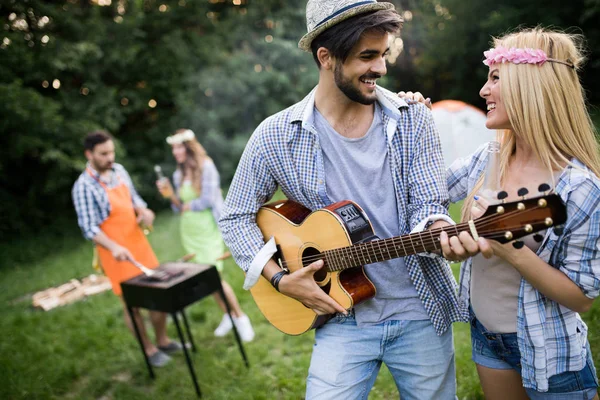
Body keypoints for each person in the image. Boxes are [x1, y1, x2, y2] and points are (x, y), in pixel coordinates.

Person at [219, 1, 464, 398]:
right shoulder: (275, 136)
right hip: (340, 315)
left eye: (383, 54)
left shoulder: (413, 119)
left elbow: (429, 205)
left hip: (418, 310)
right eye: (367, 56)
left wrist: (440, 228)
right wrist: (280, 279)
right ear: (326, 57)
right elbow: (236, 217)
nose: (381, 69)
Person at [441, 28, 600, 399]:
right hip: (487, 337)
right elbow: (423, 196)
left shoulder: (579, 187)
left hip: (549, 348)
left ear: (532, 87)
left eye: (495, 78)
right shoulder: (488, 157)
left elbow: (583, 298)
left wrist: (511, 251)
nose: (483, 91)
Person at [72, 130, 183, 367]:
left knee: (157, 292)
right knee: (131, 303)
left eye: (111, 151)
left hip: (137, 243)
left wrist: (145, 213)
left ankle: (162, 340)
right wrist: (113, 247)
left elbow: (135, 200)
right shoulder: (83, 186)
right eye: (103, 154)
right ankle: (149, 349)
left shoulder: (119, 171)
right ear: (89, 154)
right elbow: (89, 228)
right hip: (115, 253)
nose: (109, 157)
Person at [156, 129, 255, 342]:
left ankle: (241, 318)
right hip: (190, 233)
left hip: (208, 229)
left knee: (214, 278)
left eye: (178, 147)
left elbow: (208, 200)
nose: (175, 152)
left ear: (189, 147)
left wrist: (188, 205)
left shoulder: (206, 166)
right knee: (205, 279)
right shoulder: (178, 174)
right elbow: (179, 208)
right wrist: (170, 196)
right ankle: (228, 315)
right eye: (173, 148)